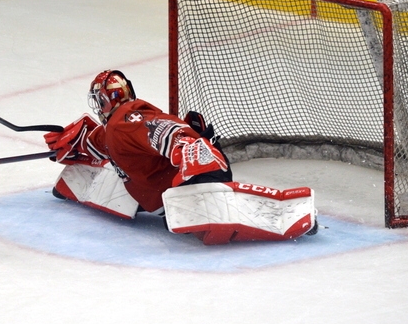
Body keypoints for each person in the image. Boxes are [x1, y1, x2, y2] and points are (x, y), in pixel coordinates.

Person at [44, 70, 317, 245]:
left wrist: (189, 148)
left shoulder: (127, 120)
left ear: (105, 101)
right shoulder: (116, 127)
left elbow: (163, 130)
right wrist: (76, 142)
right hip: (170, 188)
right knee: (177, 211)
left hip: (196, 173)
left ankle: (289, 213)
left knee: (196, 217)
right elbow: (101, 141)